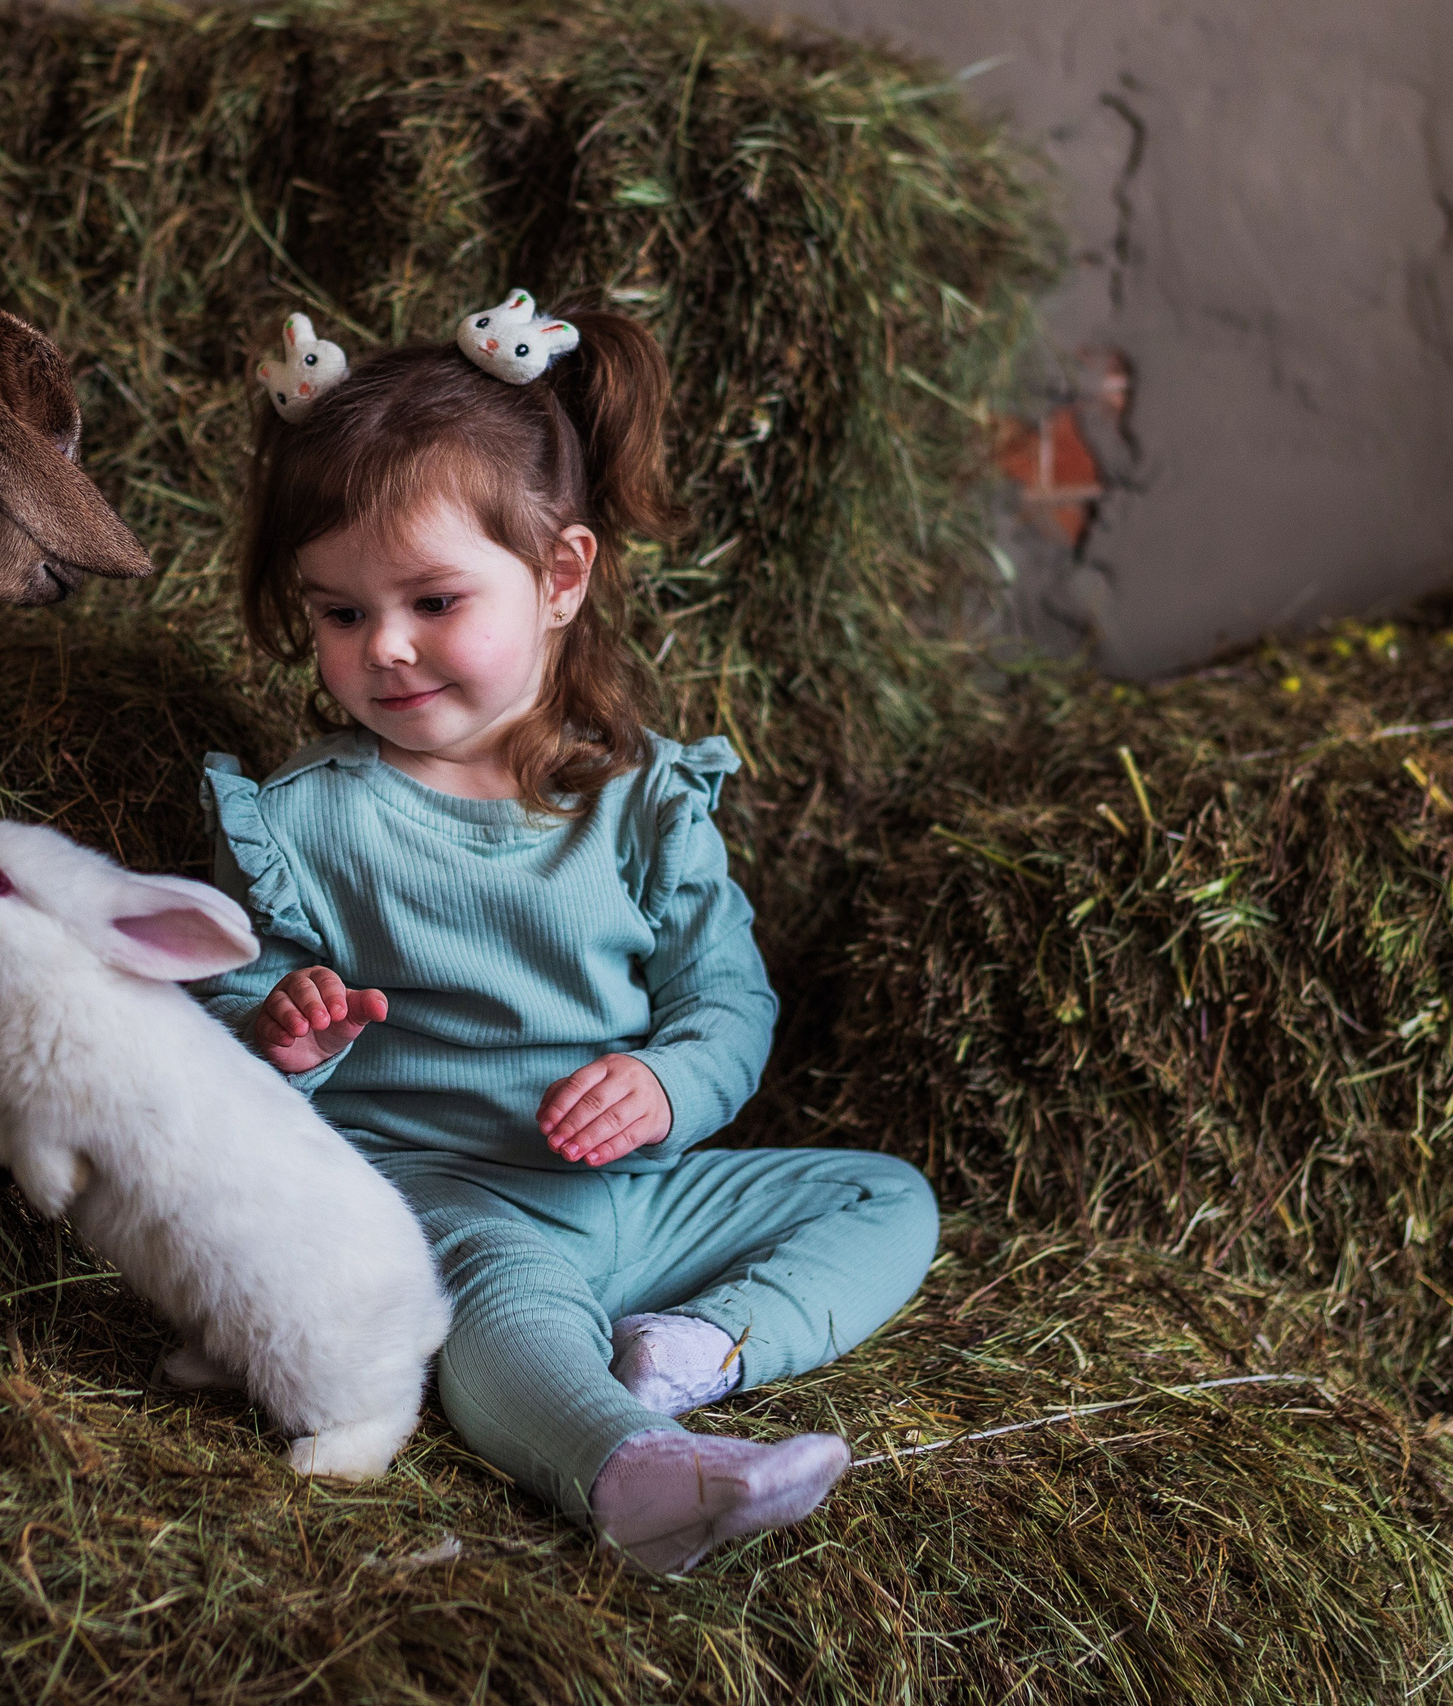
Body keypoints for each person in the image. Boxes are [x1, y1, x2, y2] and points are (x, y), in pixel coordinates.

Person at [194, 296, 940, 1574]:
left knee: (886, 1195)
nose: (383, 647)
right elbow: (218, 1037)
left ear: (559, 576)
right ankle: (633, 1468)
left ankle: (699, 1347)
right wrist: (282, 1031)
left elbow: (728, 1006)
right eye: (337, 613)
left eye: (431, 599)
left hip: (638, 1198)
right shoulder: (305, 822)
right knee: (497, 1307)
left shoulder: (644, 801)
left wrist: (660, 1083)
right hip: (441, 1191)